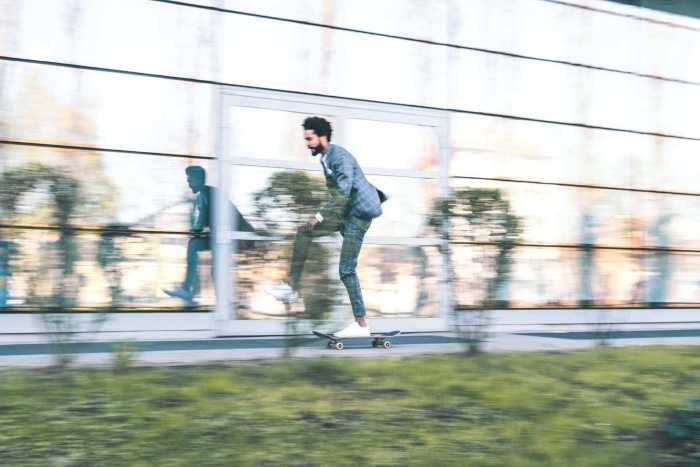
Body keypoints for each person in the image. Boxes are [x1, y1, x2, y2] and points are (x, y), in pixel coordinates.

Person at [266, 116, 387, 338]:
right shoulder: (325, 158)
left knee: (346, 270)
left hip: (358, 216)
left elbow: (342, 193)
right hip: (345, 213)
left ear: (322, 137)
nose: (307, 143)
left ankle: (361, 325)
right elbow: (338, 196)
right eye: (305, 139)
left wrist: (320, 216)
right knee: (305, 231)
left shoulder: (339, 157)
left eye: (309, 138)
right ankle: (290, 286)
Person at [164, 165, 255, 304]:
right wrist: (195, 231)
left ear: (199, 180)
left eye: (190, 180)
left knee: (214, 266)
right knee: (194, 245)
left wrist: (195, 231)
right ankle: (189, 289)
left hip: (233, 235)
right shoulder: (204, 195)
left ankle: (219, 301)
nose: (188, 183)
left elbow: (203, 222)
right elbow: (203, 222)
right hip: (222, 235)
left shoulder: (209, 194)